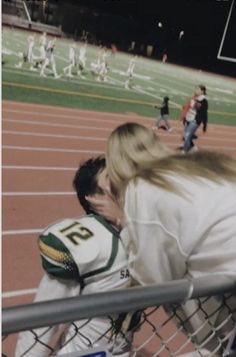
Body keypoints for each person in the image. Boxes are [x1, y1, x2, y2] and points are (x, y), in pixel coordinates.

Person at [87, 122, 236, 356]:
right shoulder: (200, 165)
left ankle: (209, 347)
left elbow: (152, 278)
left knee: (179, 288)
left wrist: (125, 224)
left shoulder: (145, 185)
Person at [15, 156, 139, 357]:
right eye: (112, 179)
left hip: (122, 347)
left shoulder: (142, 234)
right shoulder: (88, 243)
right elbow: (45, 320)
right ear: (94, 197)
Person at [183, 85, 208, 153]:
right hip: (188, 118)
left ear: (202, 91)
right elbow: (190, 108)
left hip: (195, 121)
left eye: (197, 89)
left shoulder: (204, 100)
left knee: (187, 136)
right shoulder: (194, 98)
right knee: (187, 136)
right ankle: (194, 149)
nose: (195, 90)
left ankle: (184, 152)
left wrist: (204, 125)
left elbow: (204, 114)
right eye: (195, 89)